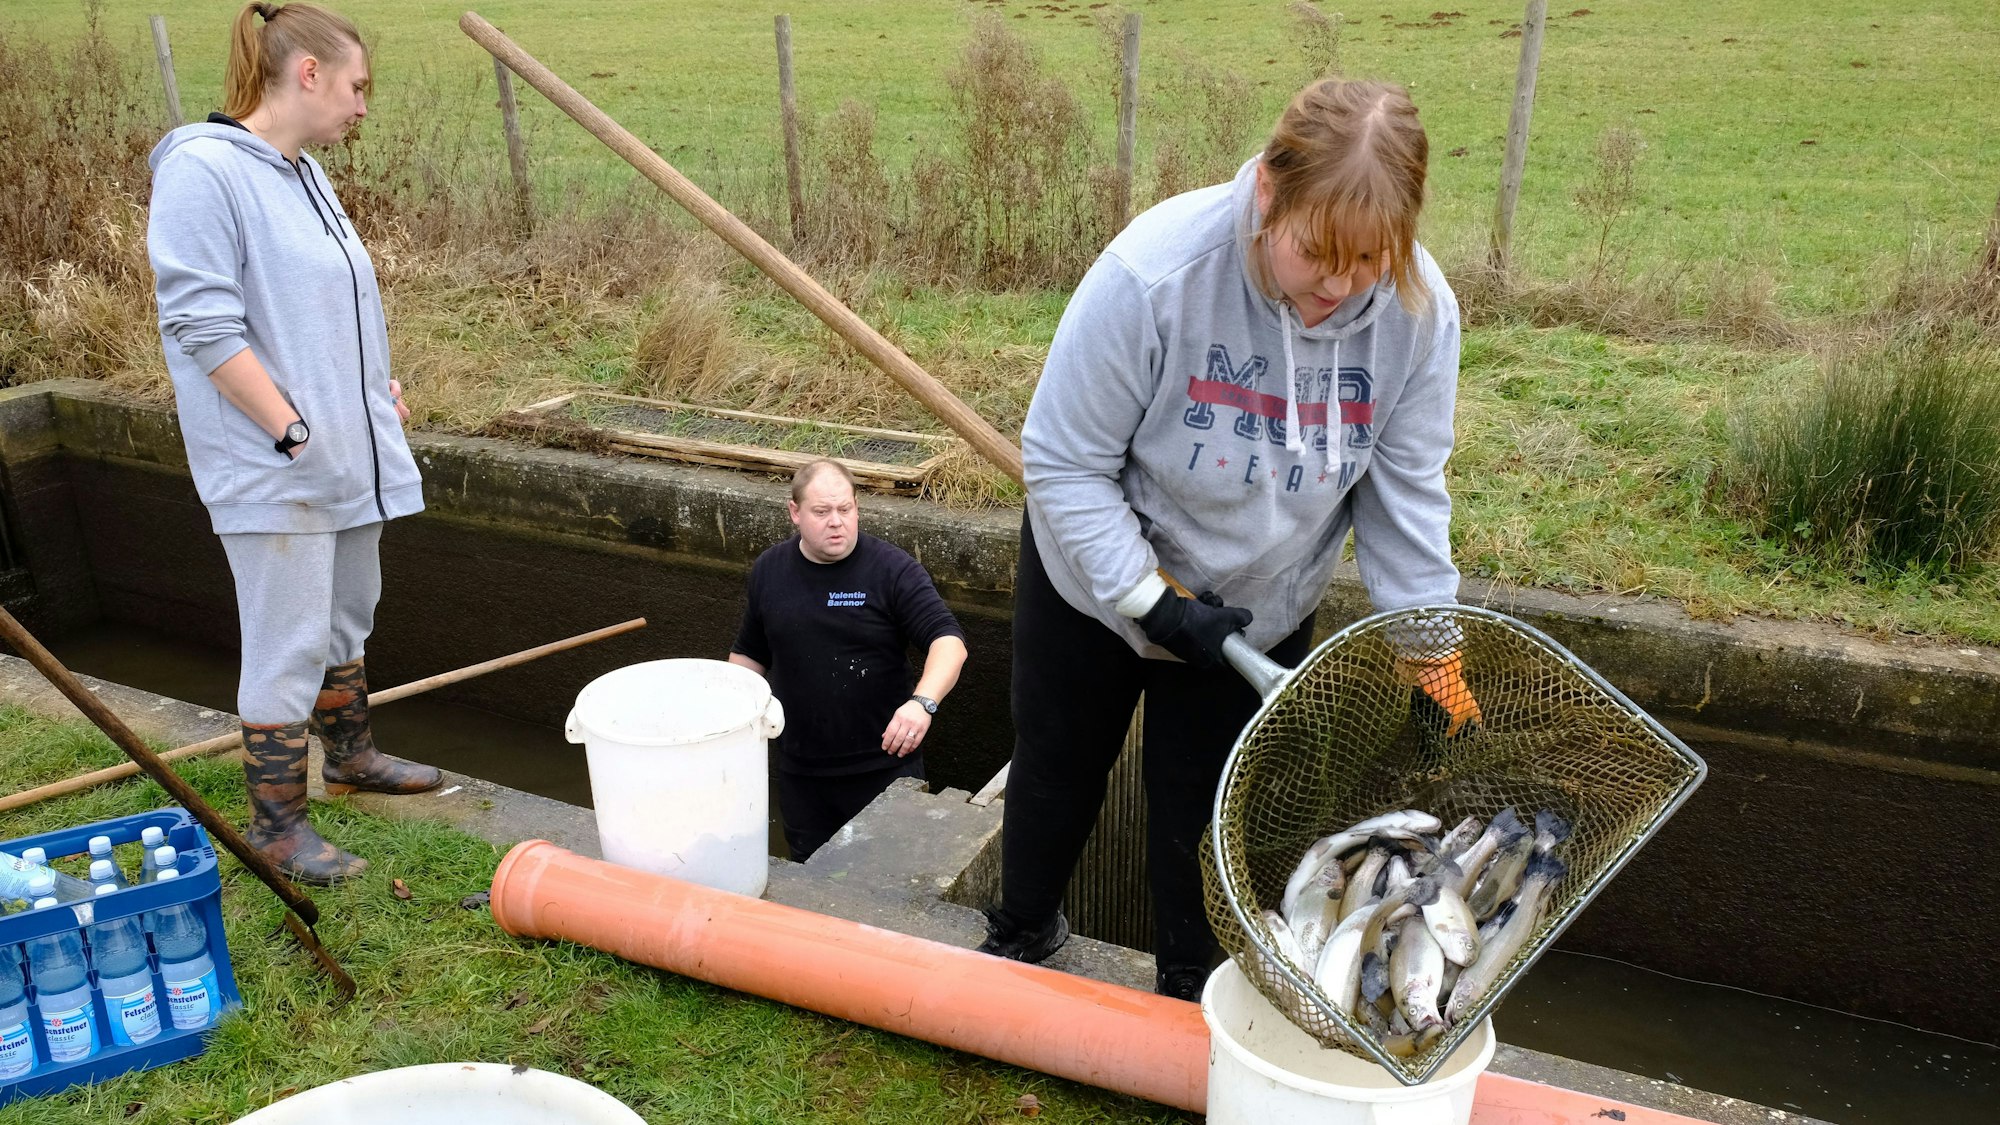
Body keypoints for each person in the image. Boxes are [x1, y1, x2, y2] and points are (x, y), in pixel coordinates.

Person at [980, 78, 1483, 998]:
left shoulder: (1418, 316)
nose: (1339, 285)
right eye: (1315, 253)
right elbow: (1059, 460)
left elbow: (1405, 492)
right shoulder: (1156, 274)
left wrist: (1430, 653)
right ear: (1266, 196)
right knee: (1057, 768)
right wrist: (1150, 601)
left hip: (1258, 603)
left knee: (1206, 824)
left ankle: (1189, 995)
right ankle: (1023, 931)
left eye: (1370, 259)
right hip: (1096, 581)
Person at [147, 2, 436, 885]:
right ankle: (276, 823)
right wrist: (293, 426)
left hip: (348, 455)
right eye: (356, 86)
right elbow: (201, 321)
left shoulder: (304, 173)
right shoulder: (204, 172)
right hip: (280, 465)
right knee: (287, 635)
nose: (362, 106)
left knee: (348, 610)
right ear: (306, 73)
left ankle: (351, 753)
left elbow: (321, 310)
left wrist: (368, 387)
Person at [729, 461, 970, 861]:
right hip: (802, 774)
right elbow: (750, 657)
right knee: (813, 886)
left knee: (893, 884)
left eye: (846, 509)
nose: (836, 522)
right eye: (822, 512)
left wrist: (921, 703)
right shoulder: (769, 570)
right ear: (795, 513)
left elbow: (950, 642)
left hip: (884, 768)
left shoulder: (892, 570)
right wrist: (722, 717)